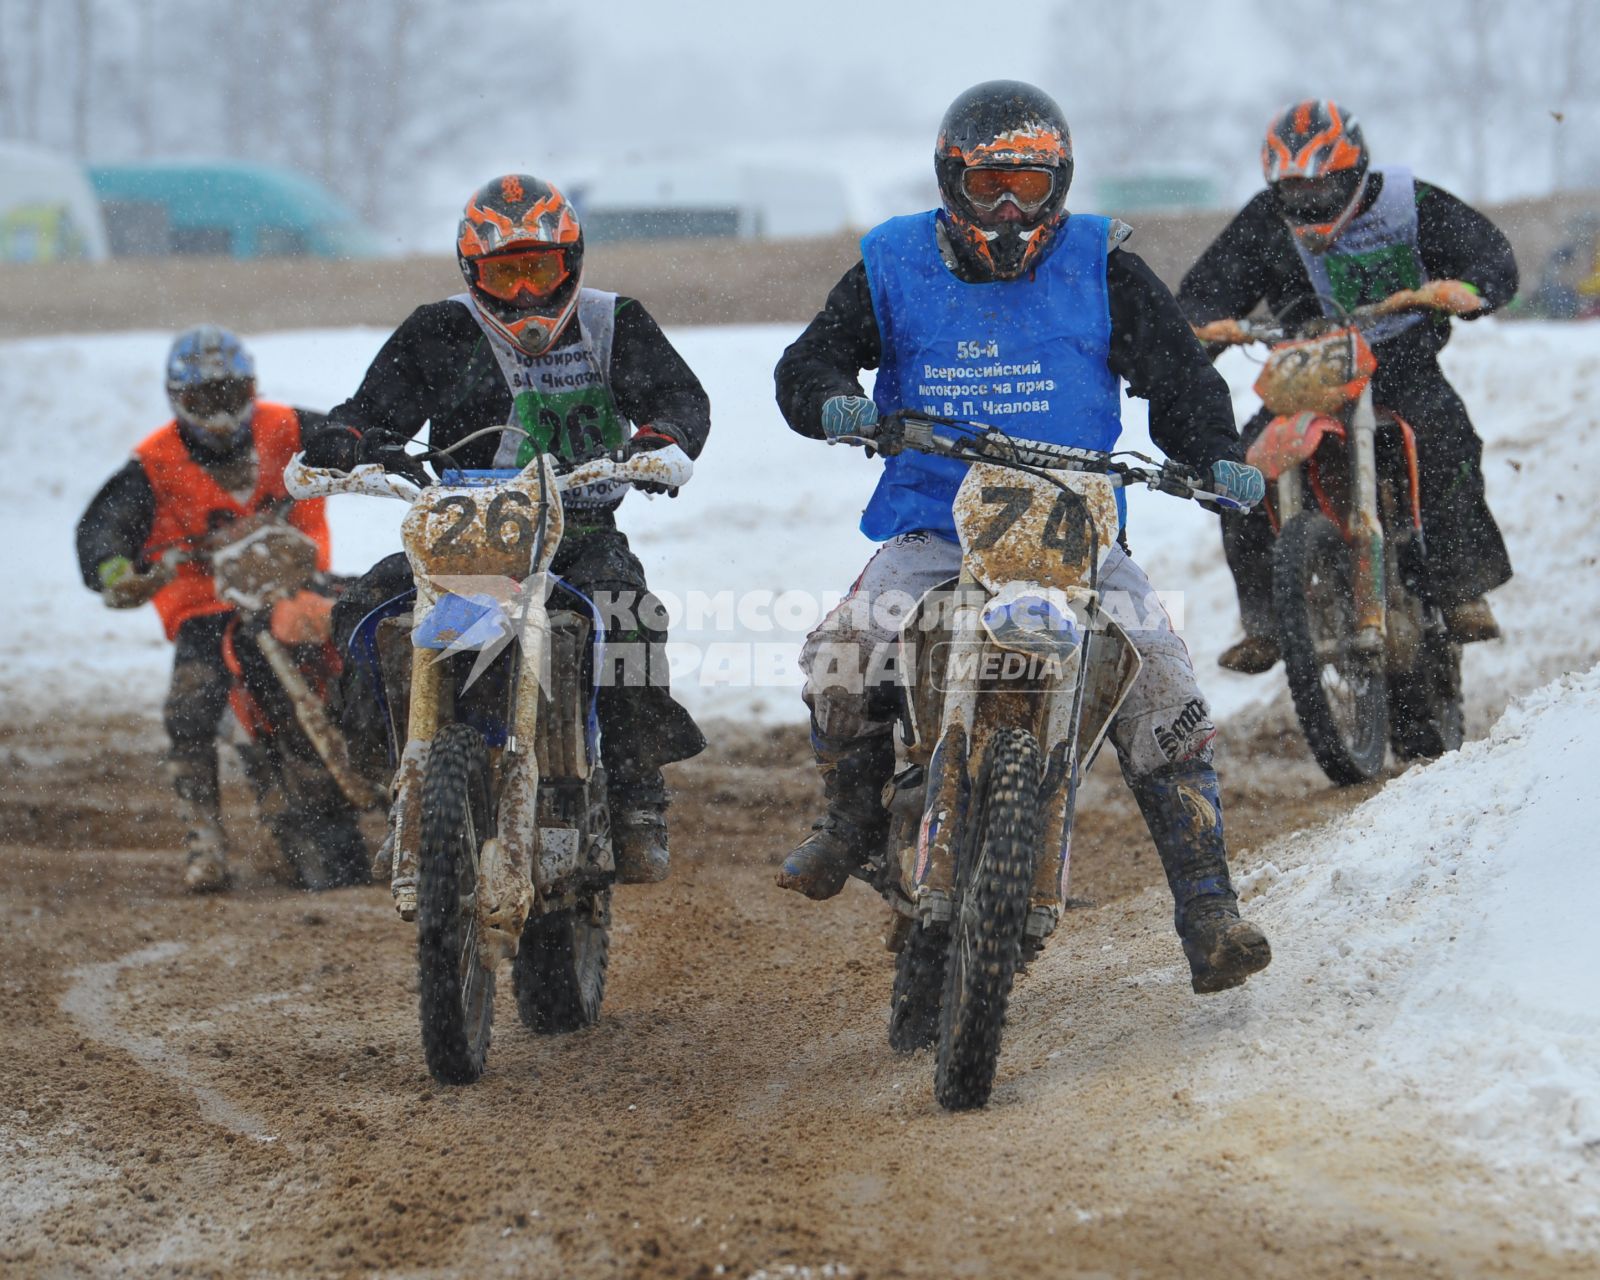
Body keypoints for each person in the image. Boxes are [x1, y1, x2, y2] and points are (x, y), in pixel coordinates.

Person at [773, 81, 1272, 994]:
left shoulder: (1103, 260)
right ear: (950, 180)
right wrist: (830, 399)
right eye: (992, 184)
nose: (1010, 209)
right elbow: (805, 360)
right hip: (931, 525)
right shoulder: (891, 260)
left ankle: (1209, 908)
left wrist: (1213, 454)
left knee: (1163, 680)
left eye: (1030, 187)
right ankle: (849, 818)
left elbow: (1180, 375)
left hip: (1073, 527)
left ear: (1062, 184)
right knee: (843, 656)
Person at [300, 174, 710, 888]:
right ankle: (393, 758)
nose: (524, 295)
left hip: (577, 527)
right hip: (462, 531)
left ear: (571, 262)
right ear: (473, 274)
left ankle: (637, 787)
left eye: (539, 271)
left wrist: (662, 436)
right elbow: (375, 406)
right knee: (363, 611)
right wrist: (348, 436)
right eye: (505, 274)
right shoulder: (439, 329)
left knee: (630, 615)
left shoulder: (616, 321)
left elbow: (679, 396)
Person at [1179, 99, 1517, 674]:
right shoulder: (1266, 221)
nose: (1306, 203)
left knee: (1447, 438)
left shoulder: (1412, 204)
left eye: (1320, 188)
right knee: (1240, 469)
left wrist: (1469, 288)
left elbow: (1491, 257)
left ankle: (1462, 590)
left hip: (1402, 365)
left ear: (1355, 172)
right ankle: (1265, 621)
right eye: (1293, 191)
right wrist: (1202, 325)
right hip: (1306, 371)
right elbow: (1206, 289)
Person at [75, 325, 349, 893]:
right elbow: (103, 526)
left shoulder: (291, 427)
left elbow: (356, 438)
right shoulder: (154, 462)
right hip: (210, 606)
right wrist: (113, 568)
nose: (222, 413)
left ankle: (404, 779)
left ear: (251, 388)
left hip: (297, 585)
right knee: (189, 705)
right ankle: (205, 840)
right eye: (205, 399)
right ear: (178, 400)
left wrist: (375, 455)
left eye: (230, 394)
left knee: (371, 650)